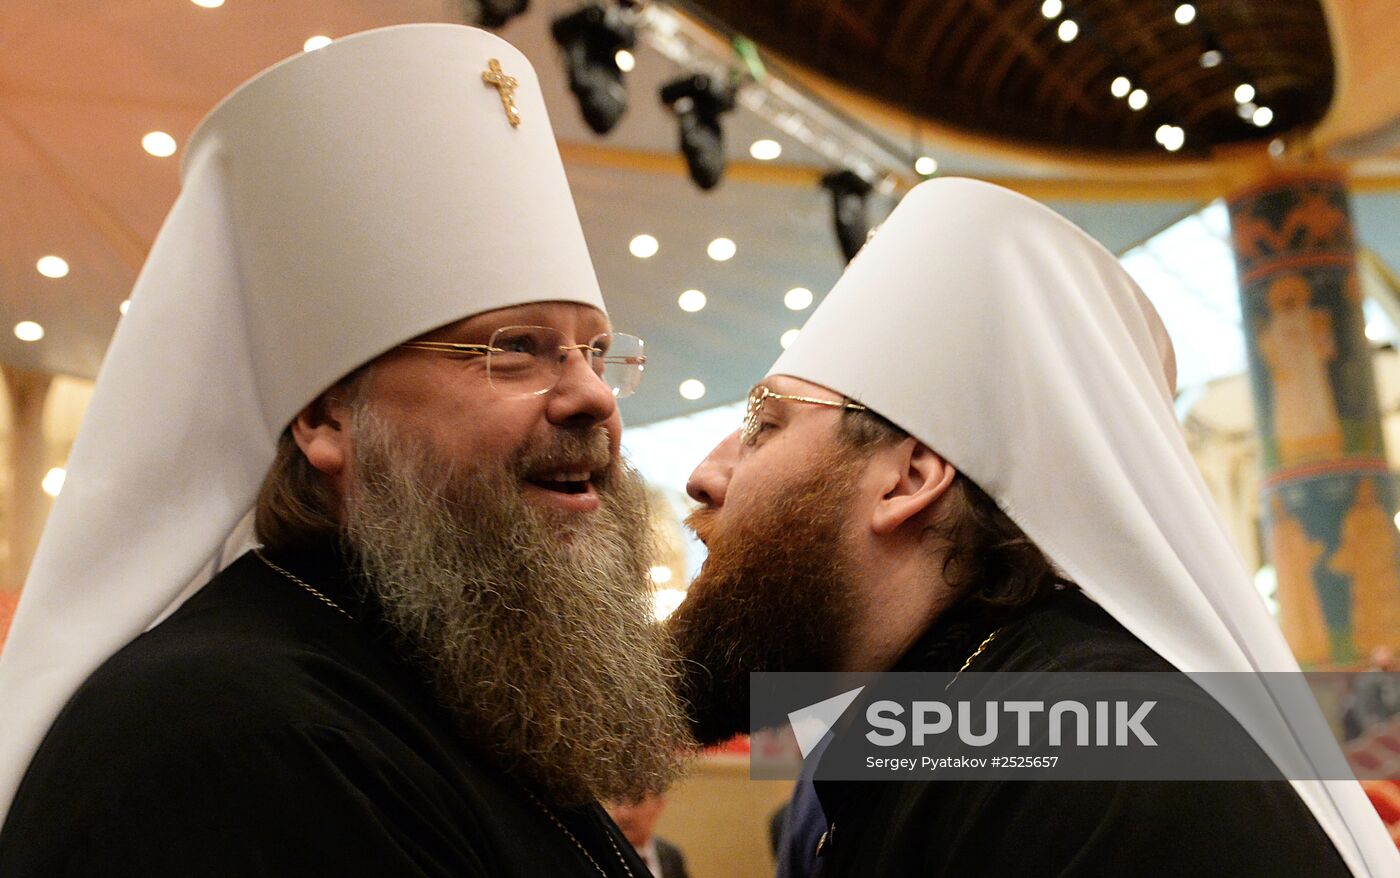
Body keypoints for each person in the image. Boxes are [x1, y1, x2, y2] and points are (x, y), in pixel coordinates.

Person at [0, 25, 690, 876]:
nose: (590, 395)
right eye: (513, 348)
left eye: (596, 351)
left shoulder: (465, 682)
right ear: (328, 418)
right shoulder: (238, 741)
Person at [668, 178, 1400, 876]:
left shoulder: (1106, 761)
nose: (705, 474)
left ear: (908, 479)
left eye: (764, 425)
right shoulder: (947, 727)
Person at [607, 793, 691, 878]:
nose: (625, 815)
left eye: (636, 801)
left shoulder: (671, 856)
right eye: (618, 800)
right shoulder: (600, 856)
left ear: (658, 804)